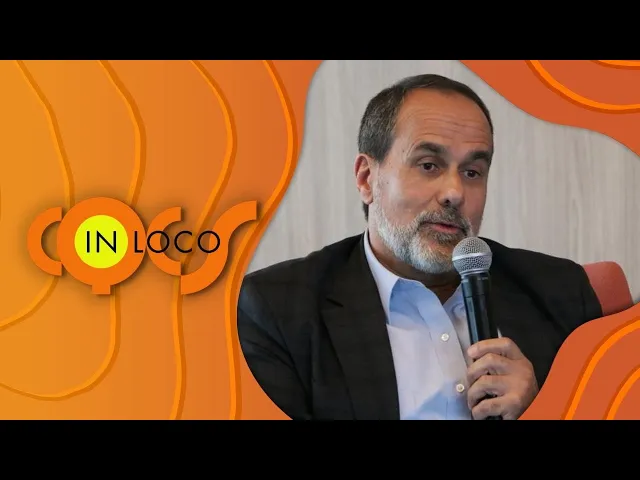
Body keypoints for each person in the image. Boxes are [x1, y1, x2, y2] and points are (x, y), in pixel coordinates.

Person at [237, 73, 603, 420]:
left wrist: (545, 409)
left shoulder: (560, 292)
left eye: (472, 172)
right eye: (428, 165)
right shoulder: (278, 311)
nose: (454, 193)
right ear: (367, 179)